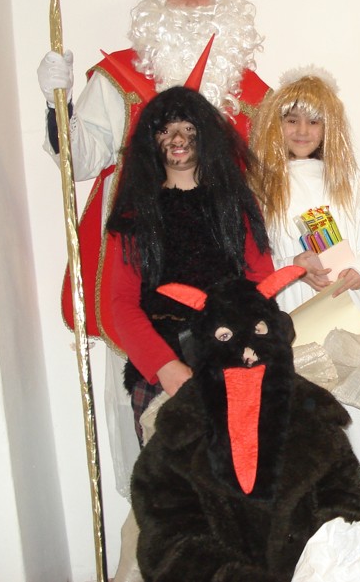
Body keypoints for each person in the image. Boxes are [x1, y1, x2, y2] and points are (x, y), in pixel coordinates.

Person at [36, 0, 269, 337]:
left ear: (224, 4)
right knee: (141, 352)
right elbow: (80, 162)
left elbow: (274, 188)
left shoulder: (252, 95)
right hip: (139, 248)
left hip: (220, 256)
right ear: (157, 4)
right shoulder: (119, 77)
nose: (190, 2)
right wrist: (59, 103)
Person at [131, 270, 360, 582]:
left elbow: (346, 502)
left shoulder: (315, 421)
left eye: (259, 331)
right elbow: (168, 538)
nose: (247, 353)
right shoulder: (177, 438)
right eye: (225, 337)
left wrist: (329, 564)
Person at [104, 81, 273, 442]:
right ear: (151, 140)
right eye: (166, 129)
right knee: (170, 475)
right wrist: (165, 366)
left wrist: (246, 346)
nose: (177, 138)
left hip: (233, 358)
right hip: (163, 370)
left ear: (205, 135)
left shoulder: (235, 206)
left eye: (188, 128)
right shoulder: (135, 216)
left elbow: (260, 284)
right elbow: (121, 304)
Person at [249, 69, 360, 313]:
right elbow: (254, 265)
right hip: (292, 311)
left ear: (328, 127)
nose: (302, 131)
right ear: (277, 124)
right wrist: (292, 267)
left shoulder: (347, 181)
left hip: (350, 311)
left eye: (314, 121)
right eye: (292, 120)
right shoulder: (261, 185)